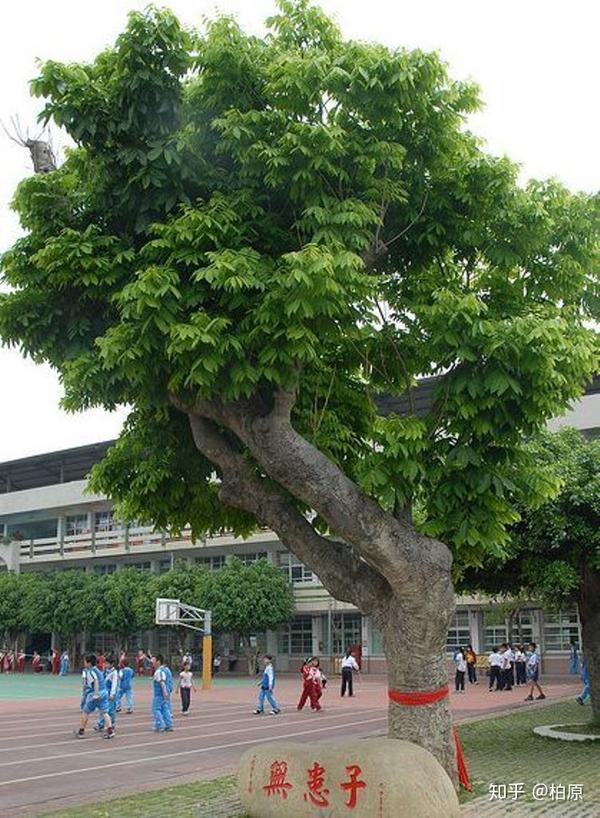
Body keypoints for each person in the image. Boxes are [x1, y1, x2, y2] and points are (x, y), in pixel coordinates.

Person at [74, 654, 114, 739]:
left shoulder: (90, 671)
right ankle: (110, 731)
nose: (84, 663)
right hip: (104, 692)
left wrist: (95, 694)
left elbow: (95, 681)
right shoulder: (97, 670)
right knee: (105, 712)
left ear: (89, 663)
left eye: (85, 661)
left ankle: (81, 731)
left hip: (97, 693)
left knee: (85, 711)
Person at [95, 655, 119, 733]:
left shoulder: (114, 673)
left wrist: (112, 694)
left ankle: (112, 725)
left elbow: (114, 684)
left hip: (111, 693)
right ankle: (100, 724)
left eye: (107, 663)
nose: (106, 665)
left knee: (111, 710)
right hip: (105, 692)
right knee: (103, 709)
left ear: (112, 664)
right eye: (105, 663)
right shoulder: (105, 671)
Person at [152, 654, 174, 732]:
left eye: (154, 660)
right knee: (165, 709)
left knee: (156, 709)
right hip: (165, 694)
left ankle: (159, 725)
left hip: (159, 694)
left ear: (158, 661)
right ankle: (169, 724)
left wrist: (164, 693)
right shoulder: (165, 670)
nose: (152, 662)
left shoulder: (158, 672)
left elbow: (162, 683)